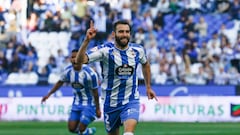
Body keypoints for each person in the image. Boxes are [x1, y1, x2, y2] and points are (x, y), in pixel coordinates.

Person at [75, 20, 157, 135]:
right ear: (114, 34)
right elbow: (80, 61)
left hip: (131, 100)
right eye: (121, 32)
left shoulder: (138, 50)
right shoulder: (105, 51)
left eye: (127, 32)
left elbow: (146, 64)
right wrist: (87, 41)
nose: (124, 34)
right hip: (111, 103)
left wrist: (148, 87)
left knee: (129, 132)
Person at [41, 49, 101, 135]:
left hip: (89, 104)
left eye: (77, 57)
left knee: (81, 128)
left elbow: (95, 92)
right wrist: (48, 95)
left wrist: (98, 109)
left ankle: (84, 131)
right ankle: (88, 132)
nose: (74, 59)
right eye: (72, 57)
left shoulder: (90, 74)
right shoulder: (68, 71)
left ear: (82, 58)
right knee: (72, 128)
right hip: (76, 103)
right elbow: (59, 83)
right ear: (70, 59)